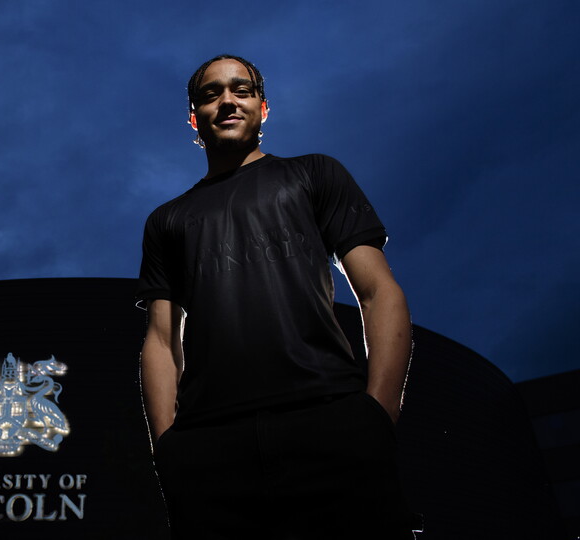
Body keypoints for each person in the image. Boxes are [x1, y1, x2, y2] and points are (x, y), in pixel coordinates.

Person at [136, 54, 417, 539]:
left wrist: (378, 414)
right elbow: (161, 340)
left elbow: (378, 291)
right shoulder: (167, 220)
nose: (227, 101)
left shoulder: (315, 174)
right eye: (211, 94)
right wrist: (168, 449)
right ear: (194, 118)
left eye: (241, 90)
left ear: (263, 108)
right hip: (210, 446)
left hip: (330, 421)